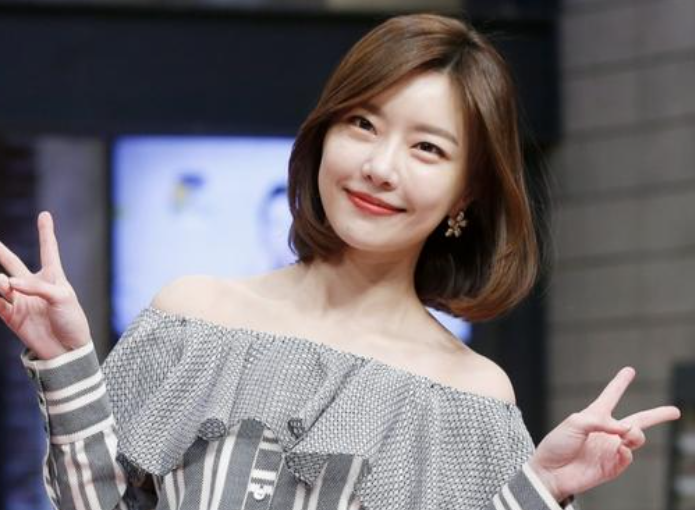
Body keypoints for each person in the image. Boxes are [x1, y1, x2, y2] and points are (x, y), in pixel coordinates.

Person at [0, 13, 680, 510]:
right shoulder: (192, 318)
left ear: (464, 194)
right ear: (323, 134)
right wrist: (64, 362)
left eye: (427, 148)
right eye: (363, 124)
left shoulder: (469, 397)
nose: (380, 167)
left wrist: (543, 488)